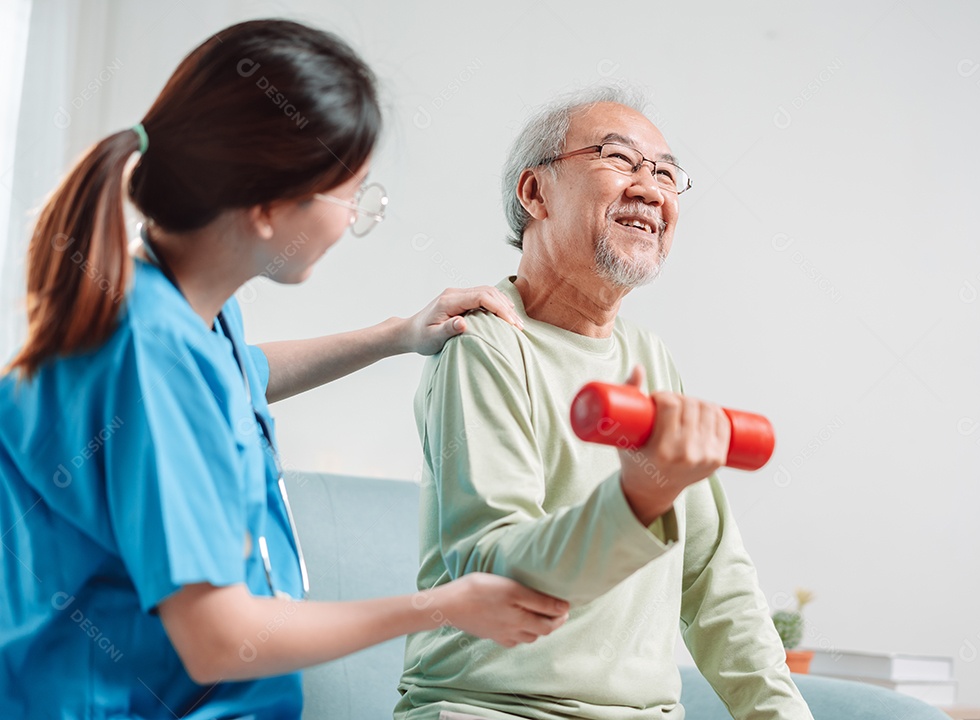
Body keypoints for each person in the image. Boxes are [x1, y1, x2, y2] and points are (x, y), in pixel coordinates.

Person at [0, 20, 569, 720]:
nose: (353, 220)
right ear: (269, 209)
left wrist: (395, 335)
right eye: (350, 197)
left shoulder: (183, 306)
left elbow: (236, 378)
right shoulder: (148, 356)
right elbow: (216, 641)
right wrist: (442, 607)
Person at [396, 86, 814, 720]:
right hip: (492, 709)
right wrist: (638, 499)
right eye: (619, 159)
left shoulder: (652, 360)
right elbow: (498, 572)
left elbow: (713, 579)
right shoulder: (484, 342)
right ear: (535, 193)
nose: (652, 189)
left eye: (667, 173)